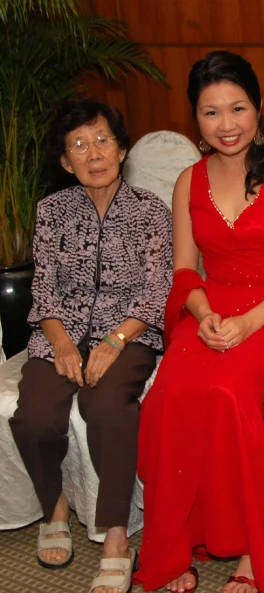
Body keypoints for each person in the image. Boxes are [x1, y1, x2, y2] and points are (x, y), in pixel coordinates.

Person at [134, 51, 264, 593]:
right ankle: (180, 542)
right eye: (211, 112)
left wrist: (250, 321)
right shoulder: (187, 181)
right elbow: (184, 271)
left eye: (237, 108)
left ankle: (250, 547)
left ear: (258, 109)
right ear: (195, 120)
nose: (226, 124)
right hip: (211, 312)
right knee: (170, 393)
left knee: (234, 392)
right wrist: (204, 316)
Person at [9, 98, 172, 593]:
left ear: (122, 149)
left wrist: (114, 340)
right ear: (65, 160)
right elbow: (44, 291)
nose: (93, 153)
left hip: (130, 333)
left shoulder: (150, 212)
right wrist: (59, 343)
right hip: (61, 332)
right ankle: (55, 504)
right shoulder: (51, 211)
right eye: (78, 145)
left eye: (103, 140)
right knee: (33, 416)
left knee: (106, 408)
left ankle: (118, 534)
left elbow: (155, 289)